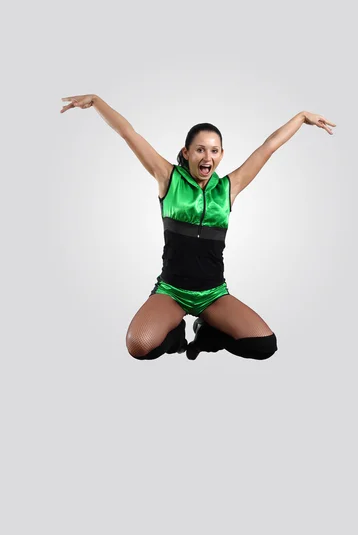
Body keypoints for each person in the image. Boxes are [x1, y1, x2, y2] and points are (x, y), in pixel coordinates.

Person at [61, 94, 336, 361]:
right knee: (139, 345)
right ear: (187, 152)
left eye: (214, 150)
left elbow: (268, 147)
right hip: (172, 291)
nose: (208, 157)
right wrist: (97, 101)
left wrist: (301, 118)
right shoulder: (168, 178)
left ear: (221, 154)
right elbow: (129, 133)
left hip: (213, 293)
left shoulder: (229, 187)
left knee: (265, 345)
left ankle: (206, 334)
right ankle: (176, 335)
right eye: (200, 149)